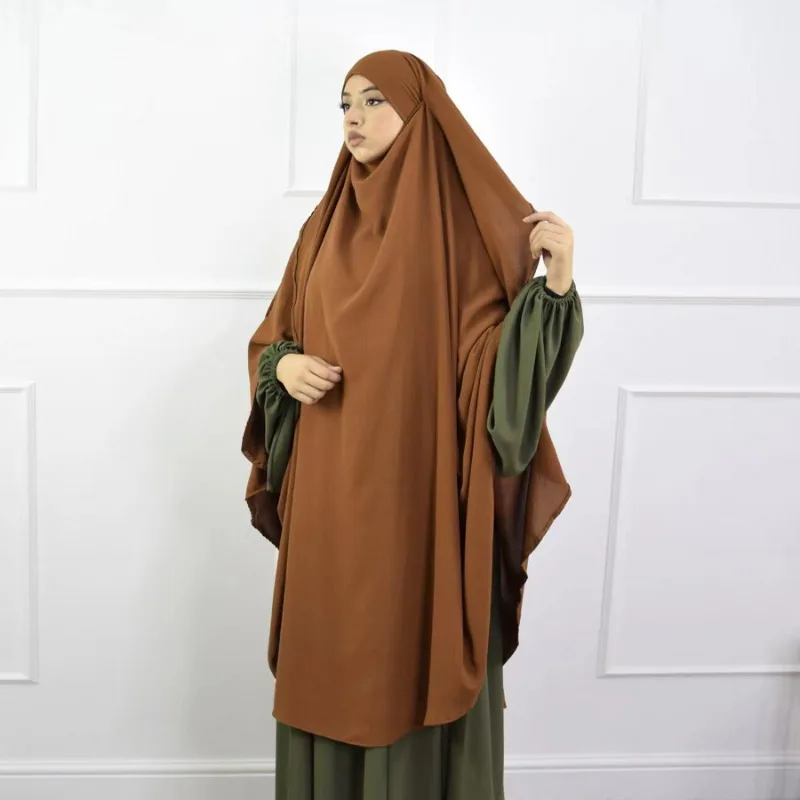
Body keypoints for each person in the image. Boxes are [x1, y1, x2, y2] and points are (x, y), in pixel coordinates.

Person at [241, 50, 584, 800]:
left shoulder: (462, 234)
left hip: (421, 503)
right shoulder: (322, 228)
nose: (354, 118)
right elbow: (277, 335)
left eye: (373, 101)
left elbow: (493, 377)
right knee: (330, 659)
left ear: (420, 114)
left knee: (411, 654)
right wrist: (283, 368)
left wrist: (555, 287)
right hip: (330, 499)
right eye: (345, 104)